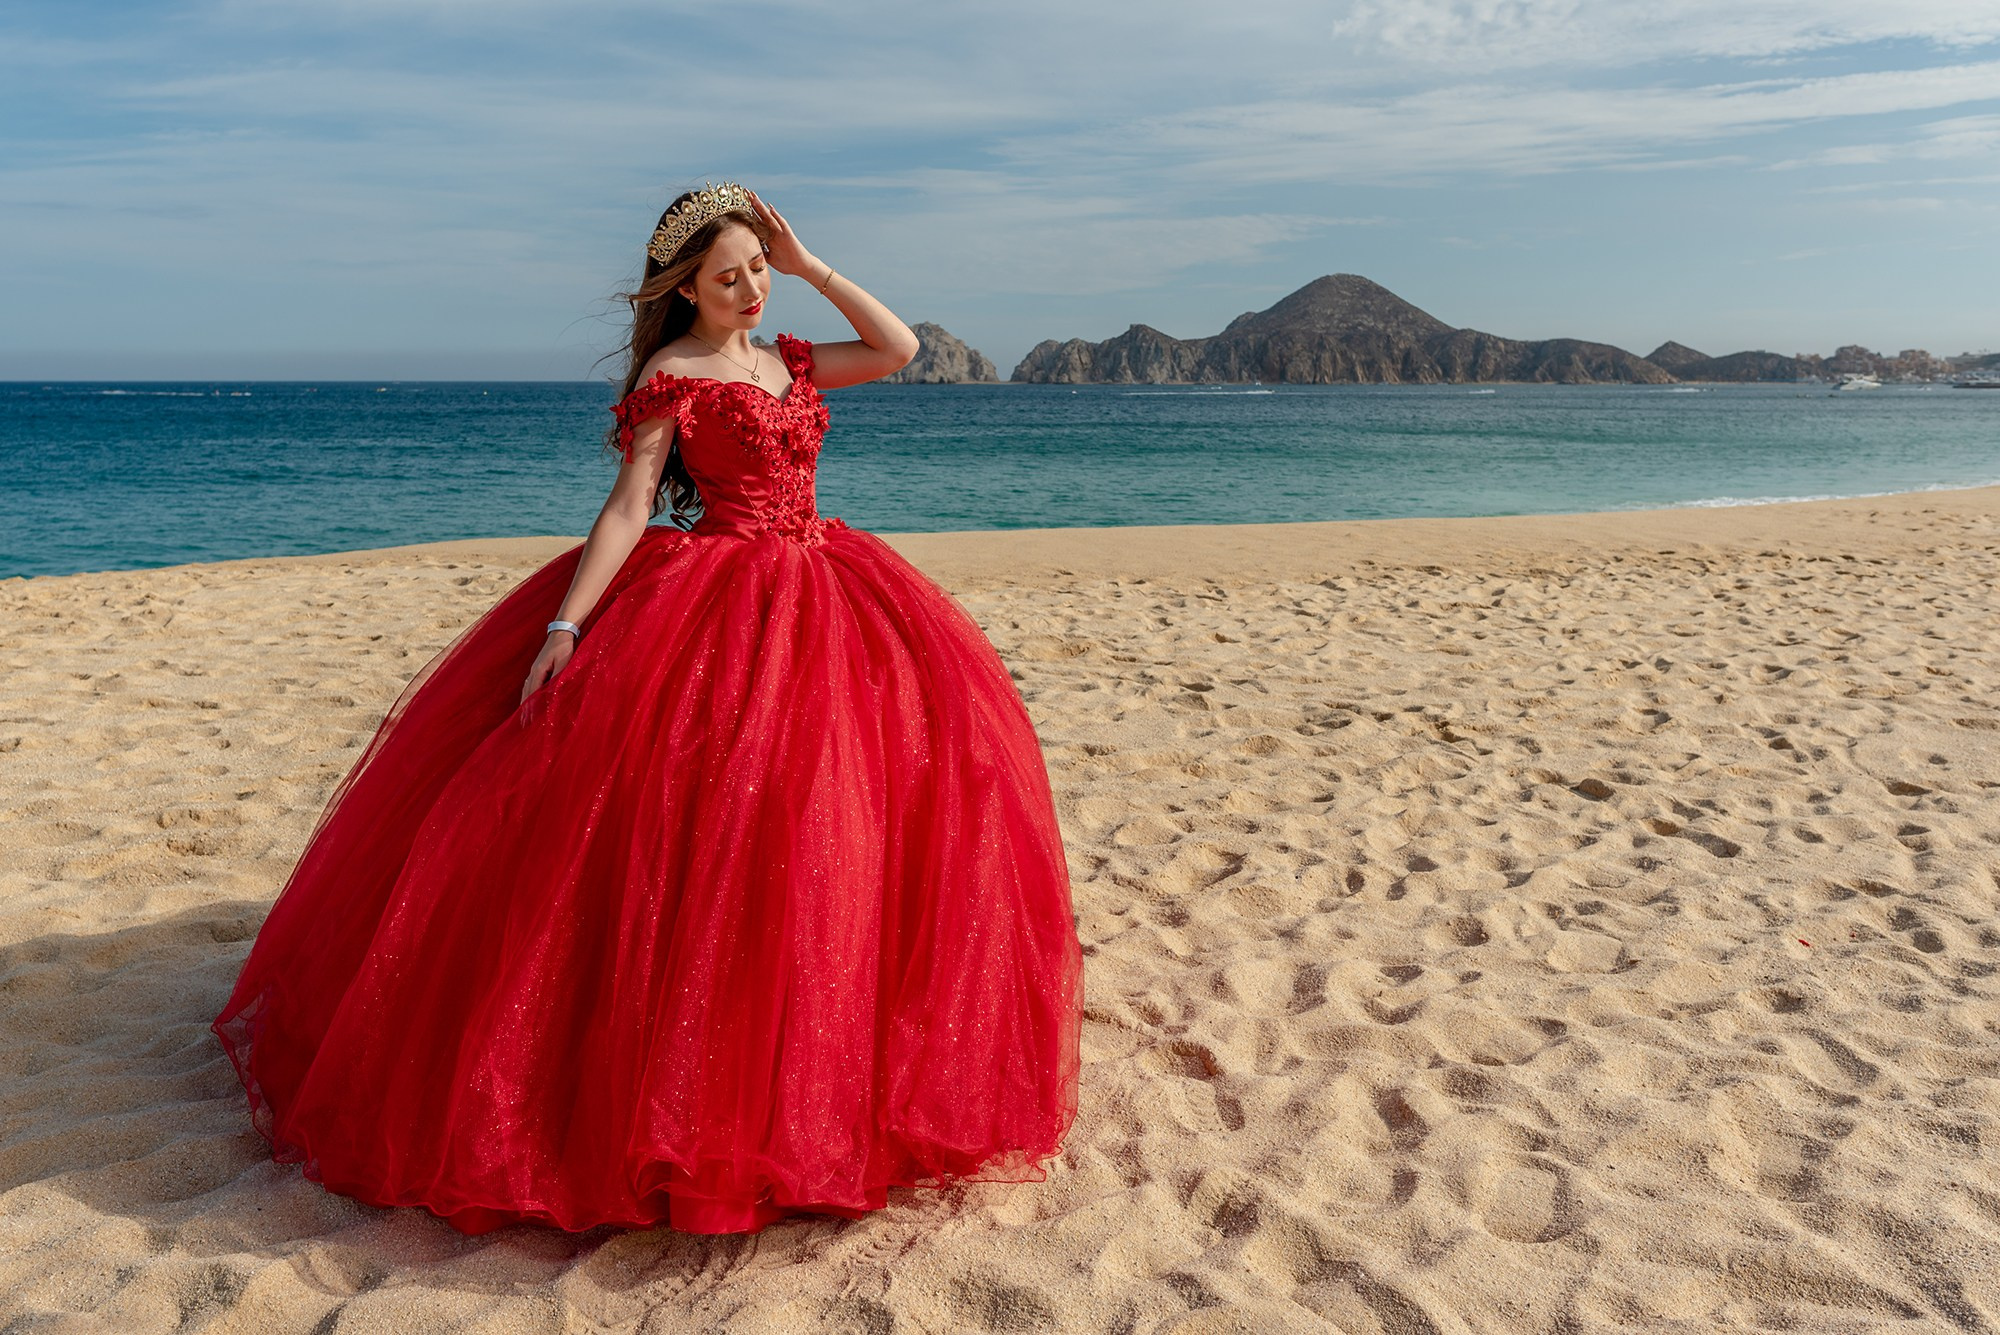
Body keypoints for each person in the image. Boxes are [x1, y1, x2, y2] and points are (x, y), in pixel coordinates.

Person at [210, 182, 1084, 1236]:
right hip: (719, 599)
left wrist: (809, 266)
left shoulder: (791, 357)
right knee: (707, 833)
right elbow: (630, 506)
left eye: (756, 269)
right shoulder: (676, 376)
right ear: (684, 290)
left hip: (828, 590)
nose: (750, 290)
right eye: (729, 277)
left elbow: (896, 349)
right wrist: (566, 628)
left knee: (848, 819)